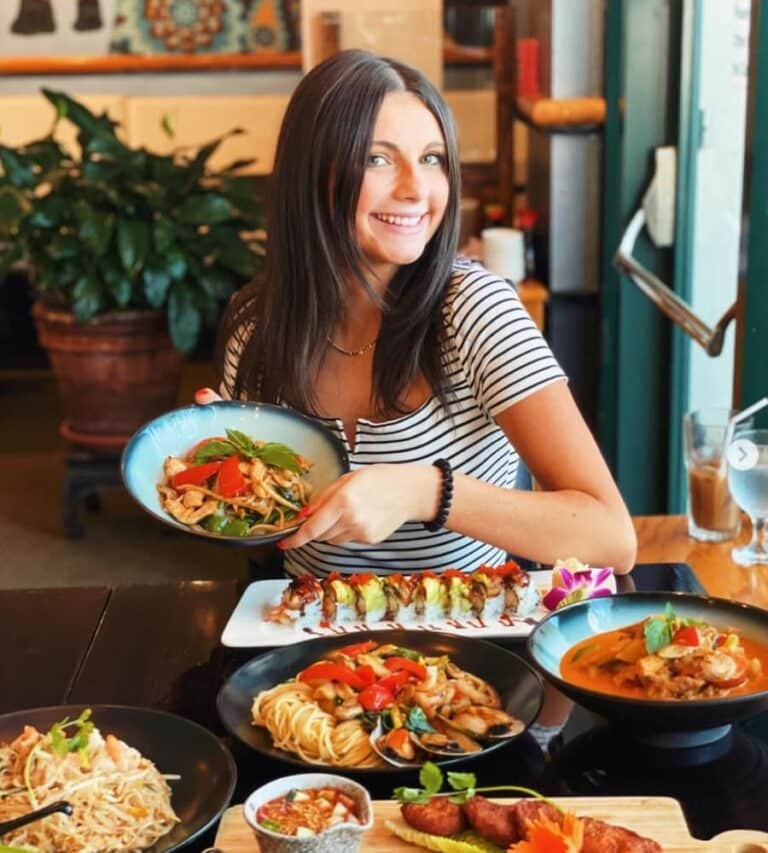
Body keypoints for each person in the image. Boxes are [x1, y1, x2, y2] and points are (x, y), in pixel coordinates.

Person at [198, 48, 637, 581]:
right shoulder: (257, 326)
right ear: (311, 174)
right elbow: (264, 523)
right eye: (377, 159)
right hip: (308, 633)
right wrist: (228, 470)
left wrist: (425, 491)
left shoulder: (475, 308)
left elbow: (611, 537)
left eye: (431, 158)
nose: (415, 189)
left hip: (465, 638)